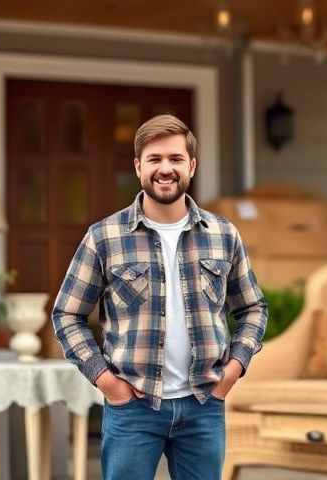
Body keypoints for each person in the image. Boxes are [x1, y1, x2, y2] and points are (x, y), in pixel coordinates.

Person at [51, 114, 268, 480]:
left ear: (192, 165)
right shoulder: (104, 236)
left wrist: (232, 372)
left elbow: (253, 308)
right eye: (154, 159)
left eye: (175, 159)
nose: (165, 169)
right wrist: (106, 381)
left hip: (203, 405)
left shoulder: (222, 234)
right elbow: (67, 314)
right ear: (138, 167)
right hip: (132, 409)